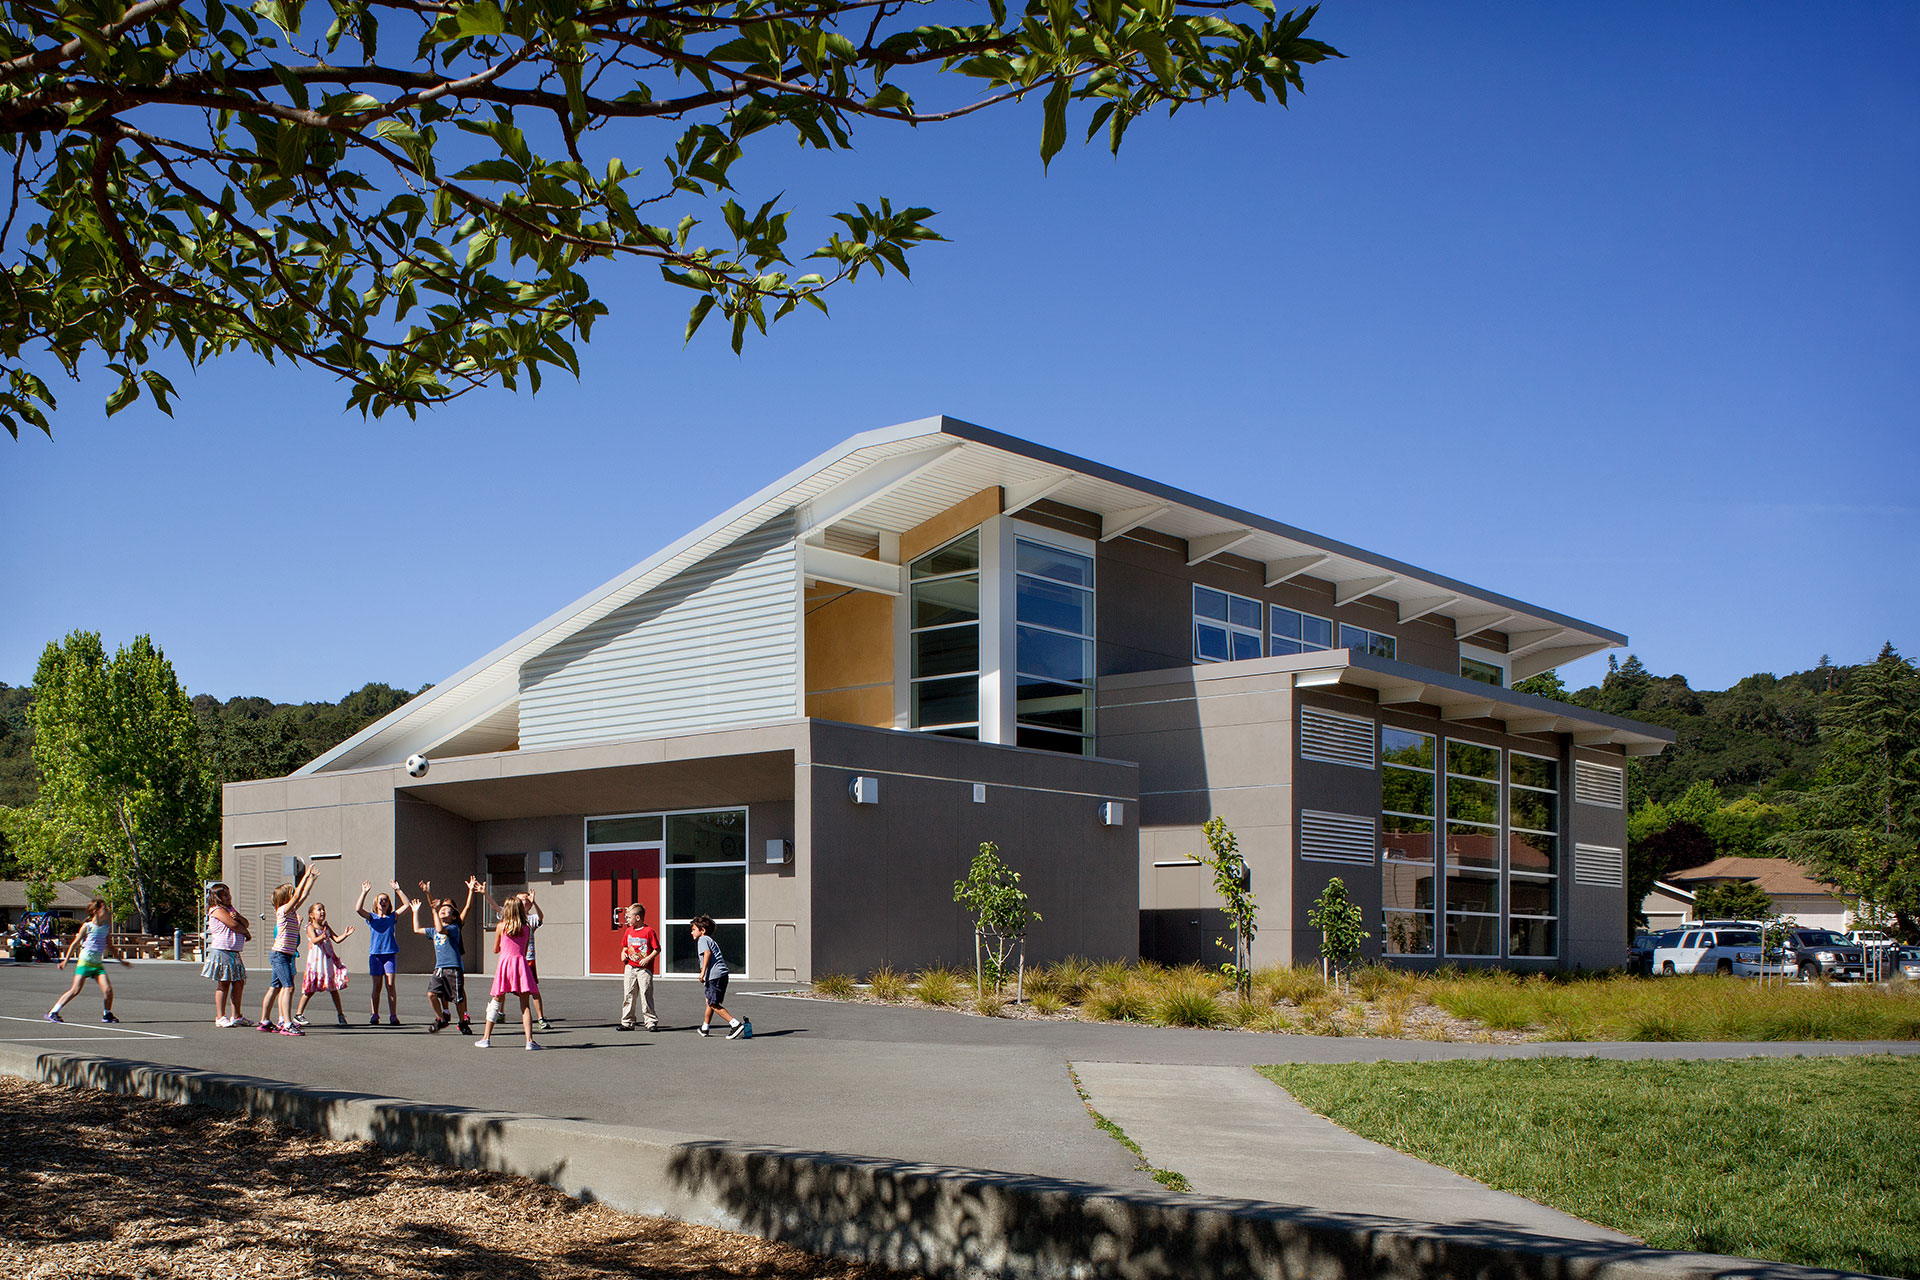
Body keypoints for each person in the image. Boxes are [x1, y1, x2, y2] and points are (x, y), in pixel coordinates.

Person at [411, 876, 480, 1034]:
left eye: (447, 908)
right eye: (441, 907)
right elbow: (417, 929)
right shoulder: (434, 930)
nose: (443, 909)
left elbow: (444, 925)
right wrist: (416, 911)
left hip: (453, 967)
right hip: (439, 968)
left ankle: (463, 1021)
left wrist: (470, 890)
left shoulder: (454, 928)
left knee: (458, 998)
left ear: (453, 915)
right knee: (431, 994)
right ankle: (441, 1018)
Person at [258, 864, 320, 1036]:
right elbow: (299, 894)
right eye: (291, 894)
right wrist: (305, 875)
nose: (295, 896)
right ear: (286, 898)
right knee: (289, 987)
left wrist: (311, 880)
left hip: (284, 954)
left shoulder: (291, 911)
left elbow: (304, 894)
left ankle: (264, 1021)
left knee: (275, 987)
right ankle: (286, 1023)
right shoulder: (282, 911)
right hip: (280, 955)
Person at [46, 900, 129, 1023]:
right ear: (96, 911)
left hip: (97, 964)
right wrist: (65, 961)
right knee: (75, 990)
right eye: (104, 909)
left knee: (108, 990)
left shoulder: (106, 928)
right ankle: (53, 1012)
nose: (107, 912)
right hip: (85, 962)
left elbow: (110, 946)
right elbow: (74, 943)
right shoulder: (87, 926)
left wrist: (121, 961)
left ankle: (107, 1014)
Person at [475, 896, 541, 1050]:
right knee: (525, 1005)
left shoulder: (501, 926)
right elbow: (523, 951)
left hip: (505, 965)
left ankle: (486, 1038)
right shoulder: (526, 928)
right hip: (520, 965)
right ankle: (529, 1041)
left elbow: (495, 949)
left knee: (496, 1001)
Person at [356, 879, 413, 1025]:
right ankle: (375, 1014)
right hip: (375, 955)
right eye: (380, 900)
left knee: (390, 984)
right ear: (376, 903)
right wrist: (364, 892)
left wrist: (398, 890)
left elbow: (407, 905)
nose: (383, 902)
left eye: (386, 900)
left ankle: (393, 1015)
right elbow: (358, 909)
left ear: (389, 904)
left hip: (389, 955)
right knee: (377, 986)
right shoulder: (372, 917)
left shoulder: (391, 917)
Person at [293, 903, 355, 1028]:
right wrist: (323, 935)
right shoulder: (310, 927)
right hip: (316, 963)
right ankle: (298, 1014)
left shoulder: (326, 927)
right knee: (310, 989)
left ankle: (341, 1014)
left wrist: (345, 935)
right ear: (311, 915)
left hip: (327, 962)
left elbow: (336, 939)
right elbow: (315, 940)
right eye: (319, 910)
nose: (322, 912)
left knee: (333, 989)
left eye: (323, 909)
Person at [691, 915, 750, 1040]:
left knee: (713, 1003)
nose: (692, 932)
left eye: (694, 929)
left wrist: (702, 972)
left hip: (714, 976)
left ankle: (735, 1024)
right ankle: (705, 1027)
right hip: (721, 975)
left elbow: (707, 953)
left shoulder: (703, 940)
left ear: (702, 930)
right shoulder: (710, 940)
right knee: (709, 1001)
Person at [202, 882, 252, 1026]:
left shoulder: (230, 909)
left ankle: (237, 1016)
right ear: (217, 897)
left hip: (234, 951)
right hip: (222, 950)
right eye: (225, 895)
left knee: (239, 982)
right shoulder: (216, 910)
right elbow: (233, 925)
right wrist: (245, 932)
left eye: (229, 894)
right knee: (224, 983)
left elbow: (244, 922)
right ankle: (220, 1016)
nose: (229, 897)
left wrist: (239, 918)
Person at [619, 902, 661, 1032]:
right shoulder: (628, 931)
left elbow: (657, 949)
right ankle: (627, 1022)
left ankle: (650, 1021)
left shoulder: (649, 931)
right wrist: (623, 954)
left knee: (645, 994)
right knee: (629, 994)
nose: (627, 919)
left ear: (638, 917)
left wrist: (647, 959)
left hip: (644, 970)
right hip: (630, 967)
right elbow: (625, 947)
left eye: (629, 917)